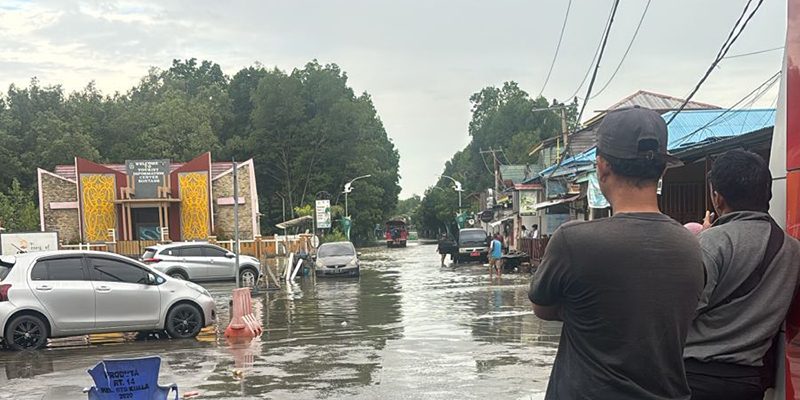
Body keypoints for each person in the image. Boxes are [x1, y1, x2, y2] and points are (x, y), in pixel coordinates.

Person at [529, 106, 705, 399]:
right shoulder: (691, 245)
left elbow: (541, 307)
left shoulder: (573, 241)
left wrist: (585, 310)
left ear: (601, 167)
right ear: (662, 168)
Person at [683, 150, 800, 400]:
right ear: (767, 194)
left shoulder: (710, 243)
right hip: (750, 383)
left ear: (718, 198)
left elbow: (681, 312)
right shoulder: (793, 250)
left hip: (695, 378)